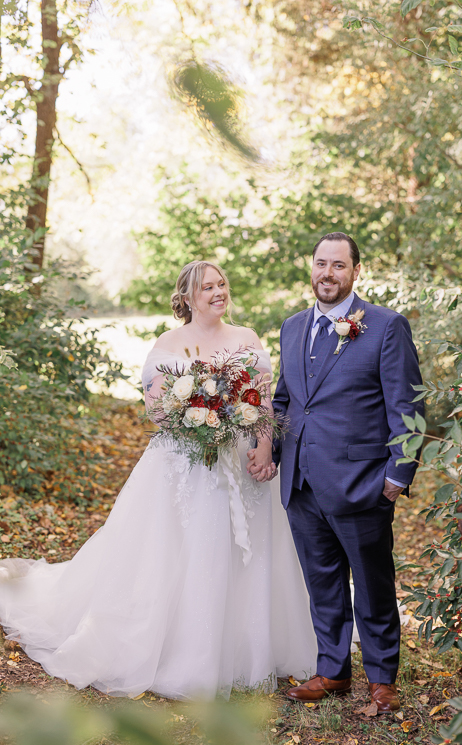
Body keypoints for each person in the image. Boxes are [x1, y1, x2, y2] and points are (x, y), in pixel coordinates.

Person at [0, 260, 317, 699]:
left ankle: (249, 646)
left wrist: (264, 448)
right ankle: (187, 650)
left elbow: (262, 401)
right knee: (184, 551)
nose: (217, 292)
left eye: (222, 283)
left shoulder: (246, 339)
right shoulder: (169, 344)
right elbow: (157, 411)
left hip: (240, 462)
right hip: (186, 465)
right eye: (207, 287)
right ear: (187, 297)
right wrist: (200, 420)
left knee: (250, 554)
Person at [248, 232, 424, 713]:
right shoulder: (291, 327)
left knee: (372, 584)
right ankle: (332, 670)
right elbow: (285, 401)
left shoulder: (386, 327)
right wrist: (269, 451)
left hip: (362, 483)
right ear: (312, 268)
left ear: (355, 272)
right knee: (321, 581)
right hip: (301, 483)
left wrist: (396, 477)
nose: (327, 273)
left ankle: (382, 679)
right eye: (321, 264)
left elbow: (407, 407)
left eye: (338, 265)